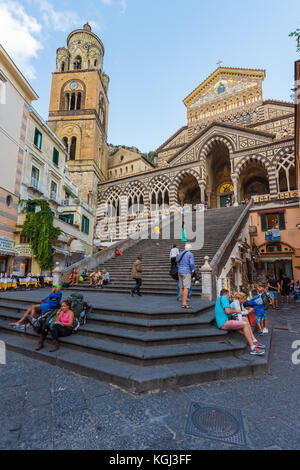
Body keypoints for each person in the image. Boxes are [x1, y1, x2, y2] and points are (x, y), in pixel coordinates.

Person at [215, 289, 265, 356]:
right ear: (226, 294)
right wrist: (237, 311)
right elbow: (228, 311)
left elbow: (227, 313)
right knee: (244, 324)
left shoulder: (219, 299)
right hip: (224, 323)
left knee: (244, 319)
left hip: (224, 321)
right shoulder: (224, 298)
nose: (229, 297)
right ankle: (253, 348)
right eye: (228, 295)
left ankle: (254, 340)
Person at [177, 243, 196, 309]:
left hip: (179, 271)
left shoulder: (180, 254)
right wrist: (194, 269)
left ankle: (182, 301)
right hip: (186, 271)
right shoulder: (190, 254)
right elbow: (191, 263)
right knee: (186, 287)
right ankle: (184, 303)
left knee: (181, 287)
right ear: (190, 249)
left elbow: (177, 261)